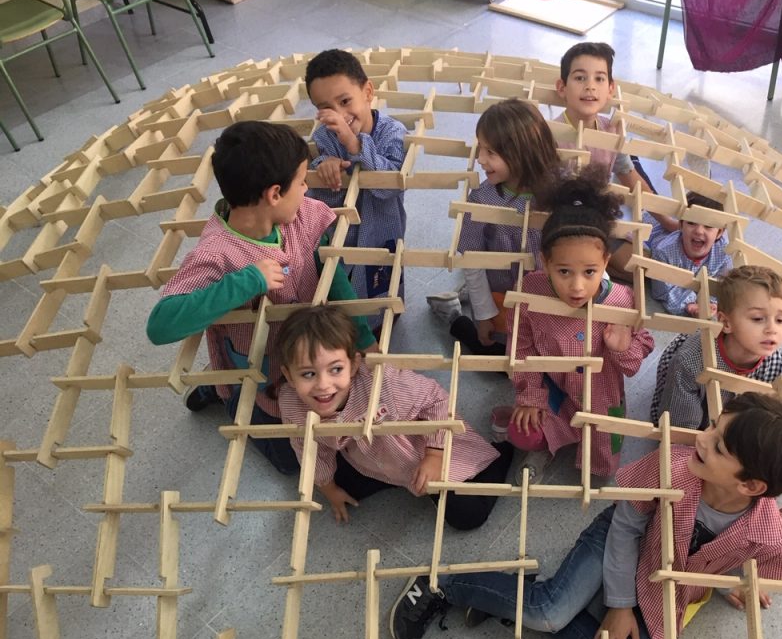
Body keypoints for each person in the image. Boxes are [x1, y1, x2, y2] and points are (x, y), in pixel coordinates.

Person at [388, 392, 782, 639]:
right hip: (620, 538)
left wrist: (739, 584)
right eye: (712, 426)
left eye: (719, 446)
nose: (701, 439)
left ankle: (512, 600)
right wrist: (619, 605)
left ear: (751, 486)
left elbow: (762, 559)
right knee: (549, 613)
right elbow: (624, 528)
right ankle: (443, 585)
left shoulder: (769, 532)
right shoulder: (672, 466)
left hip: (663, 580)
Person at [146, 121, 377, 475]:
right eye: (301, 182)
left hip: (305, 351)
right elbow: (160, 325)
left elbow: (332, 274)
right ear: (274, 194)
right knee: (289, 459)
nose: (307, 188)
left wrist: (362, 337)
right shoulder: (217, 253)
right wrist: (245, 282)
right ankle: (222, 392)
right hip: (260, 365)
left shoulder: (300, 215)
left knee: (330, 421)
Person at [275, 305, 514, 530]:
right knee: (337, 483)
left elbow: (437, 400)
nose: (323, 385)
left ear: (354, 364)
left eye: (336, 369)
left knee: (467, 514)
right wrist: (329, 489)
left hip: (421, 447)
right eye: (308, 374)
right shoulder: (292, 404)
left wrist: (435, 456)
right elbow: (309, 449)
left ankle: (502, 453)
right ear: (289, 375)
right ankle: (394, 477)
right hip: (368, 456)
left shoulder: (382, 382)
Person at [504, 172, 654, 483]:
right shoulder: (529, 291)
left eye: (589, 271)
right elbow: (520, 346)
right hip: (554, 388)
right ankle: (546, 446)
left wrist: (624, 347)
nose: (577, 286)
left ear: (606, 262)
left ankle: (593, 462)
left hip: (601, 394)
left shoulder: (621, 299)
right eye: (564, 271)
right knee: (522, 431)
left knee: (600, 459)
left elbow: (637, 358)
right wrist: (531, 395)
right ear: (545, 262)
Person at [426, 98, 560, 357]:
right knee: (499, 354)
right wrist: (484, 314)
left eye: (491, 152)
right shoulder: (481, 198)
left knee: (545, 353)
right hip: (501, 290)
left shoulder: (556, 193)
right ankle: (453, 314)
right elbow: (472, 260)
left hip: (547, 292)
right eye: (480, 149)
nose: (480, 159)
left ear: (523, 153)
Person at [305, 48, 407, 335]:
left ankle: (383, 320)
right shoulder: (324, 136)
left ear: (368, 92)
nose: (339, 115)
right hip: (344, 232)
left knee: (383, 280)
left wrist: (353, 143)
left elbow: (390, 185)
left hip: (381, 229)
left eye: (345, 101)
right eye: (327, 108)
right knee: (344, 282)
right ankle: (352, 327)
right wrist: (324, 165)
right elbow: (320, 188)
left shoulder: (392, 131)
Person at [554, 42, 675, 280]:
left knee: (644, 270)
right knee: (580, 269)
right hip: (562, 223)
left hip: (600, 218)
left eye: (599, 79)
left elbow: (632, 178)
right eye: (579, 78)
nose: (590, 86)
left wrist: (667, 221)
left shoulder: (611, 131)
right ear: (562, 87)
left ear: (610, 89)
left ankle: (604, 262)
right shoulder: (551, 134)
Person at [649, 265, 782, 430]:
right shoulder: (691, 361)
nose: (772, 329)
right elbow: (680, 429)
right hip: (695, 426)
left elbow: (767, 420)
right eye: (758, 318)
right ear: (726, 322)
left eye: (780, 320)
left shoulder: (778, 367)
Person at [645, 191, 732, 317]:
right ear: (680, 225)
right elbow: (661, 290)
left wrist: (711, 301)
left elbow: (722, 281)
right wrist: (689, 304)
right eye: (691, 223)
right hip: (652, 231)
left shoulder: (724, 252)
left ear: (719, 233)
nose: (699, 231)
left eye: (708, 226)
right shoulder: (663, 252)